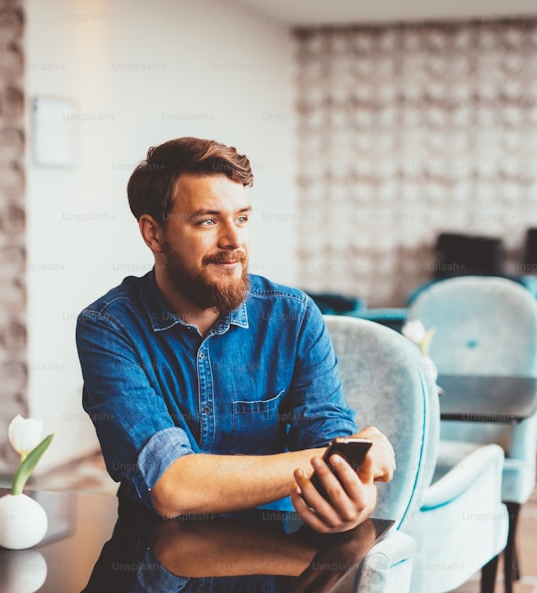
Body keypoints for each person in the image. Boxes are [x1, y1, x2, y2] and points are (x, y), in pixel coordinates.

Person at [76, 137, 395, 534]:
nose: (234, 241)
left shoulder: (293, 317)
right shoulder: (109, 326)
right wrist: (337, 459)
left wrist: (353, 494)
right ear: (154, 234)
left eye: (242, 218)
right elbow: (171, 486)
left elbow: (329, 432)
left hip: (273, 562)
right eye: (208, 221)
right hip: (152, 568)